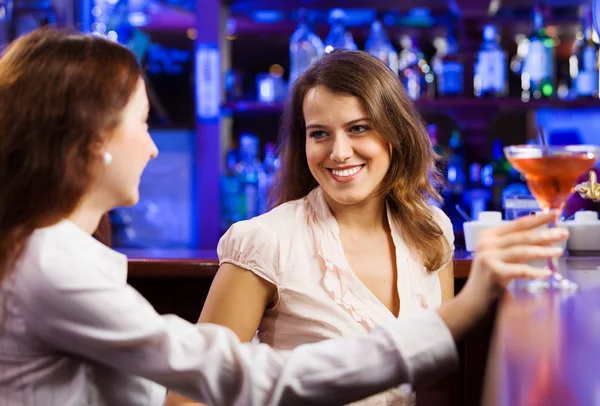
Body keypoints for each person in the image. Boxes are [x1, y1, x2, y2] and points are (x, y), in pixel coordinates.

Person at [0, 28, 566, 406]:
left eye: (360, 128)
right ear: (91, 141)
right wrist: (469, 308)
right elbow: (238, 381)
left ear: (398, 134)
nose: (153, 148)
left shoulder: (66, 255)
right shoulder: (53, 266)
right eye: (143, 124)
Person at [164, 51, 560, 405]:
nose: (338, 152)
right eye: (319, 133)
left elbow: (434, 383)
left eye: (358, 128)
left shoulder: (432, 230)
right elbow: (187, 398)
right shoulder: (265, 242)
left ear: (396, 134)